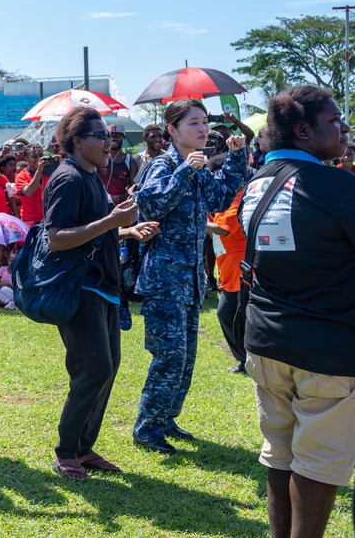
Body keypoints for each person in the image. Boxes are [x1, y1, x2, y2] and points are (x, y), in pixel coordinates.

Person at [238, 86, 355, 538]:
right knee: (319, 462)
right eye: (335, 120)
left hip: (266, 341)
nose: (343, 128)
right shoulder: (336, 185)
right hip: (325, 348)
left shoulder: (259, 180)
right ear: (304, 130)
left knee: (280, 453)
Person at [43, 107, 158, 481]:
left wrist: (125, 232)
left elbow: (89, 228)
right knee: (93, 368)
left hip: (105, 288)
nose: (109, 142)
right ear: (77, 141)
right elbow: (56, 239)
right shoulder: (68, 178)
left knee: (107, 369)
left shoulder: (91, 176)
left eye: (109, 136)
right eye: (100, 135)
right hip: (82, 288)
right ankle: (66, 451)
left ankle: (83, 446)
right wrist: (112, 221)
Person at [132, 99, 247, 454]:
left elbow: (222, 194)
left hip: (191, 278)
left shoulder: (195, 166)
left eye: (204, 123)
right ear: (172, 131)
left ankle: (165, 419)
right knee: (169, 355)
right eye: (194, 123)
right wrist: (185, 171)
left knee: (185, 357)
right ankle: (147, 428)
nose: (203, 130)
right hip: (164, 279)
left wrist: (237, 155)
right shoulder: (164, 165)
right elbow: (149, 205)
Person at [207, 155, 247, 374]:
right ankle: (244, 360)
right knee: (228, 314)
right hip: (227, 269)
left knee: (237, 316)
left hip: (243, 268)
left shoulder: (244, 198)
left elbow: (226, 229)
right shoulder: (224, 201)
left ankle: (250, 360)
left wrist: (201, 223)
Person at [97, 123, 138, 205]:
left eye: (117, 136)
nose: (113, 139)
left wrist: (120, 198)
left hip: (121, 205)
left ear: (124, 137)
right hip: (100, 203)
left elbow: (134, 188)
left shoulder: (130, 161)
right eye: (111, 136)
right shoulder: (98, 157)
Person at [15, 143, 50, 228]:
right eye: (34, 157)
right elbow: (30, 192)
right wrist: (39, 171)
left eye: (41, 156)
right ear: (26, 159)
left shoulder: (49, 171)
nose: (38, 159)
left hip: (49, 218)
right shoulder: (21, 176)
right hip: (30, 221)